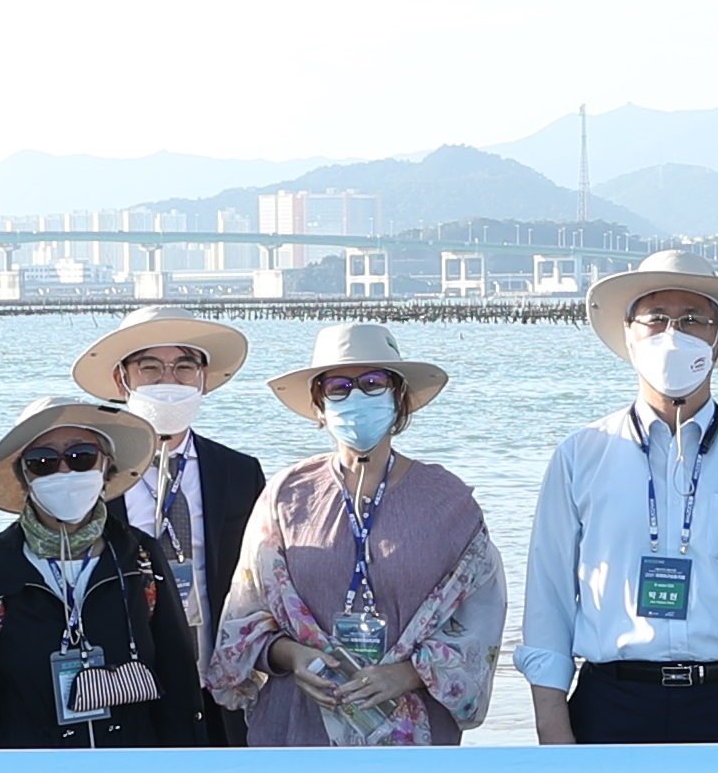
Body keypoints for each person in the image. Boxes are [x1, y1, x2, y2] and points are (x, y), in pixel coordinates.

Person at [514, 246, 718, 745]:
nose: (673, 334)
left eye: (693, 320)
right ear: (629, 334)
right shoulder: (582, 454)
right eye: (655, 318)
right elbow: (548, 602)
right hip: (612, 702)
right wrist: (554, 730)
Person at [209, 320, 503, 748]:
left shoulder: (450, 503)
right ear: (318, 403)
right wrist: (294, 656)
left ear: (398, 396)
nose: (357, 396)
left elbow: (480, 621)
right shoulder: (285, 496)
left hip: (417, 739)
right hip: (297, 727)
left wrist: (407, 674)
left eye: (372, 383)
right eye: (339, 386)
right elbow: (243, 619)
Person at [0, 398, 209, 751]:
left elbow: (177, 671)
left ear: (107, 465)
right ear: (24, 475)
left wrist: (182, 763)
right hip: (30, 770)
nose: (64, 472)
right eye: (43, 462)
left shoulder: (139, 554)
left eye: (81, 456)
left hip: (132, 765)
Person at [76, 314, 265, 741]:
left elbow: (261, 576)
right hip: (124, 683)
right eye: (150, 367)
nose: (169, 379)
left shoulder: (238, 471)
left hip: (219, 681)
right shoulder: (87, 475)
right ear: (122, 378)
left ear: (203, 379)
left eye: (183, 367)